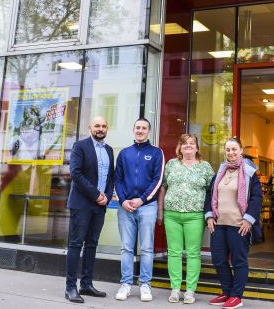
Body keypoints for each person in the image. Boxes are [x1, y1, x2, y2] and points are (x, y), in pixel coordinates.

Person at [204, 137, 262, 309]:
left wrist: (248, 219)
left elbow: (256, 197)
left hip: (239, 224)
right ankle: (227, 292)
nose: (231, 153)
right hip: (219, 223)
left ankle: (236, 296)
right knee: (219, 260)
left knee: (239, 262)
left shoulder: (250, 172)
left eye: (234, 149)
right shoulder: (221, 171)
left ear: (241, 151)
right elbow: (210, 195)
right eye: (228, 149)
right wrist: (209, 216)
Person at [157, 134, 214, 304]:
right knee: (173, 252)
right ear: (180, 148)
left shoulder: (205, 167)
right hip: (171, 215)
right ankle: (175, 289)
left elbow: (212, 193)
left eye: (191, 143)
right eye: (184, 143)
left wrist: (210, 214)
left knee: (193, 253)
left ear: (197, 148)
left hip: (195, 216)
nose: (188, 146)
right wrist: (160, 211)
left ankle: (190, 290)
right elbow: (163, 188)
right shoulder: (171, 164)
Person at [65, 116, 115, 303]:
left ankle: (86, 285)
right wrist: (96, 194)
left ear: (107, 128)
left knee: (92, 244)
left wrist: (107, 197)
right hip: (82, 203)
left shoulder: (109, 150)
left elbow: (111, 177)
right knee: (76, 244)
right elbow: (75, 174)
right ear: (90, 128)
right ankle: (70, 287)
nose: (100, 128)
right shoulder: (80, 146)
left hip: (100, 205)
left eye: (103, 125)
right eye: (97, 125)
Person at [114, 118, 164, 302]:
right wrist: (123, 200)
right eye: (137, 127)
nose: (140, 130)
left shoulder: (156, 152)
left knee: (146, 248)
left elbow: (157, 180)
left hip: (147, 207)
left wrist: (142, 199)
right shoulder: (124, 153)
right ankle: (125, 284)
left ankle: (145, 285)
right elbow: (117, 179)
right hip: (125, 207)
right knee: (126, 247)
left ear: (149, 132)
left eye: (144, 128)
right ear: (133, 130)